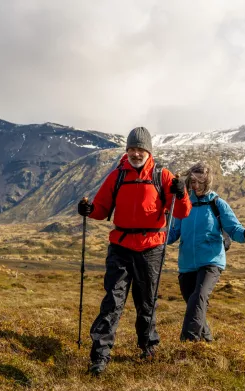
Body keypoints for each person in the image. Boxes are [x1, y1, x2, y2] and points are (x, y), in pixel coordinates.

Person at [77, 127, 191, 375]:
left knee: (146, 301)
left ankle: (147, 347)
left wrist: (181, 193)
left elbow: (182, 212)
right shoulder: (117, 176)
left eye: (140, 149)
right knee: (112, 302)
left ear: (148, 151)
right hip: (120, 246)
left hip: (151, 248)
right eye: (131, 149)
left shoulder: (163, 176)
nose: (136, 153)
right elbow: (101, 208)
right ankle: (100, 356)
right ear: (127, 151)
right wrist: (88, 210)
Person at [168, 162, 245, 342]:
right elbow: (173, 232)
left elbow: (233, 228)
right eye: (192, 181)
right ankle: (208, 343)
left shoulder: (217, 204)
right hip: (186, 265)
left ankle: (187, 345)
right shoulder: (183, 205)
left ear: (208, 182)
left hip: (211, 261)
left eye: (200, 181)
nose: (196, 185)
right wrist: (155, 239)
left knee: (199, 297)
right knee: (194, 305)